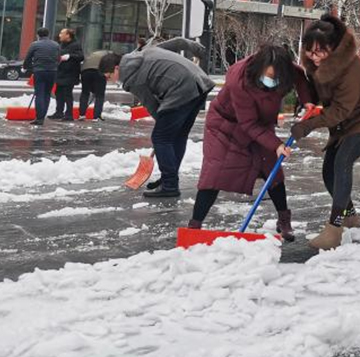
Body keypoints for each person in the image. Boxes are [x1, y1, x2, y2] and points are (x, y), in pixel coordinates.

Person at [190, 45, 313, 241]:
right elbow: (248, 123)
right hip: (226, 125)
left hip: (260, 125)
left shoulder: (284, 69)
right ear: (259, 69)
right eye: (269, 77)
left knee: (272, 171)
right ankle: (194, 228)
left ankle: (284, 220)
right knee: (214, 173)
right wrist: (276, 144)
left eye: (277, 78)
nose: (272, 82)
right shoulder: (240, 81)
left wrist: (307, 101)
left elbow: (299, 77)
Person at [290, 13, 360, 250]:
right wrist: (306, 102)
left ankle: (334, 228)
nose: (313, 57)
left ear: (333, 48)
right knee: (328, 172)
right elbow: (321, 94)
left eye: (319, 52)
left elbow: (340, 109)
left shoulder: (352, 67)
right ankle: (351, 217)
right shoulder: (317, 64)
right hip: (345, 120)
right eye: (309, 51)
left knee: (342, 162)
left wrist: (307, 126)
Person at [103, 38, 215, 198]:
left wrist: (162, 124)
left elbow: (151, 105)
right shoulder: (143, 51)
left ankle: (170, 185)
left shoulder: (132, 78)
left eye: (108, 77)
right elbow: (177, 42)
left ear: (116, 68)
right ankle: (168, 178)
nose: (110, 81)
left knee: (161, 138)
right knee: (177, 136)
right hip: (199, 83)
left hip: (182, 89)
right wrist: (195, 48)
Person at [23, 28, 60, 126]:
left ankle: (39, 118)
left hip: (39, 71)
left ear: (38, 35)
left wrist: (27, 67)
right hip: (52, 71)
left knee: (39, 94)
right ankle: (42, 116)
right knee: (47, 94)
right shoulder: (56, 45)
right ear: (48, 34)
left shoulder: (35, 44)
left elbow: (28, 58)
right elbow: (58, 58)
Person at [53, 29, 84, 121]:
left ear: (68, 35)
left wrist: (70, 56)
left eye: (61, 33)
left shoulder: (76, 45)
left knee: (67, 94)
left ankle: (69, 114)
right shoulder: (61, 44)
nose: (59, 35)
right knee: (58, 93)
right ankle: (59, 112)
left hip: (70, 74)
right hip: (60, 72)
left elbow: (81, 56)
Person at [79, 48, 113, 120]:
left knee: (85, 93)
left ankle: (81, 114)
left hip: (85, 72)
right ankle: (96, 116)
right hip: (99, 73)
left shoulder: (93, 55)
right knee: (99, 95)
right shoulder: (109, 56)